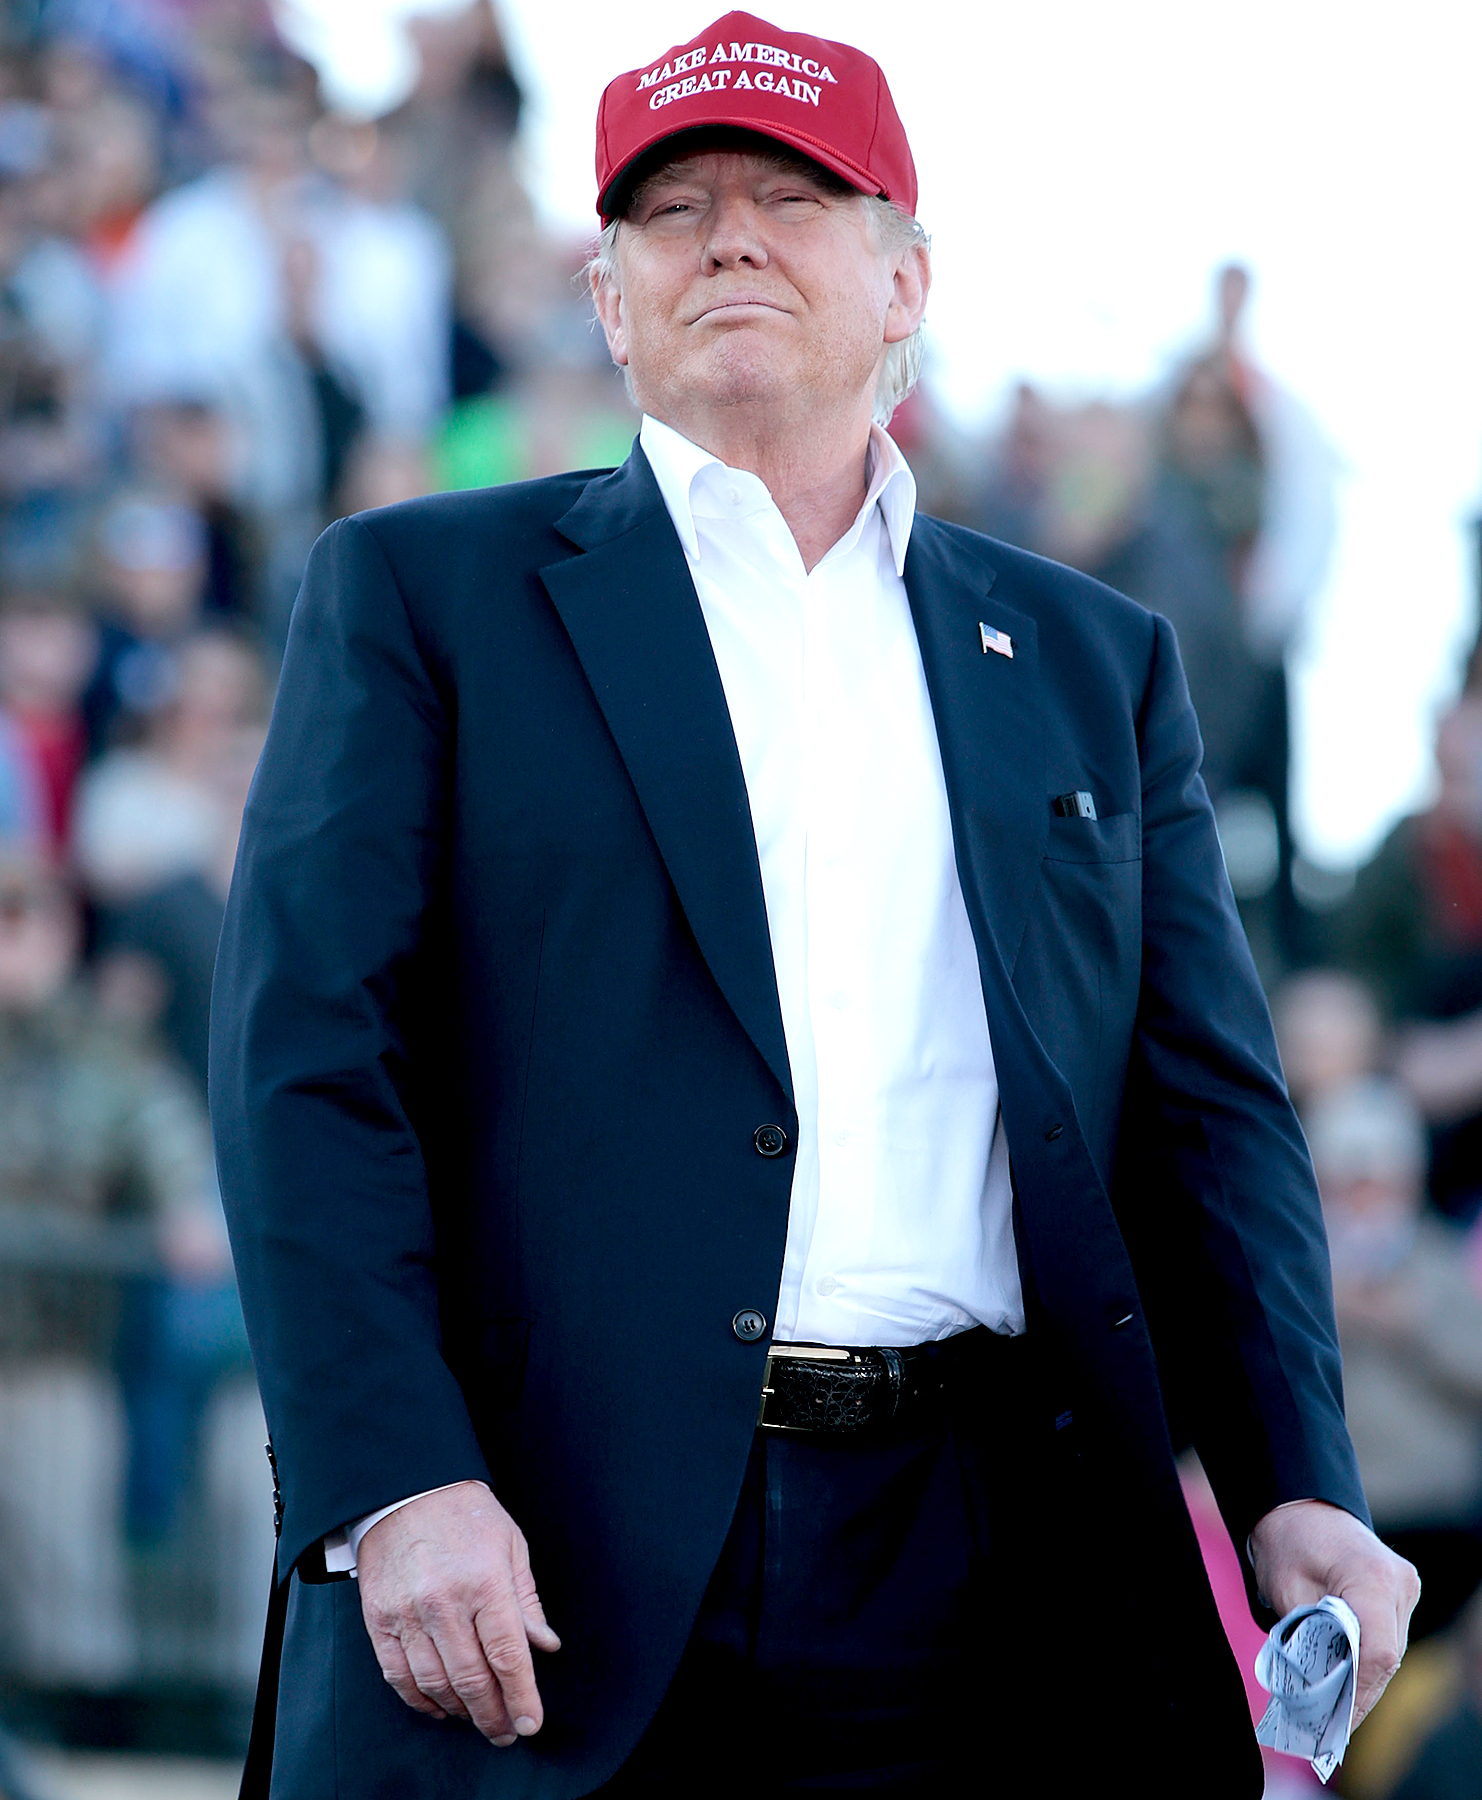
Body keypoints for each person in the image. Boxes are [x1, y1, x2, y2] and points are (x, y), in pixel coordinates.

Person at [210, 13, 1418, 1798]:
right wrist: (396, 1478)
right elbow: (306, 1067)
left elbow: (1207, 1118)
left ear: (906, 281)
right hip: (544, 1563)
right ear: (609, 301)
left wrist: (1296, 1478)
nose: (729, 241)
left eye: (790, 198)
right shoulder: (417, 596)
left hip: (997, 1565)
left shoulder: (1092, 662)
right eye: (671, 209)